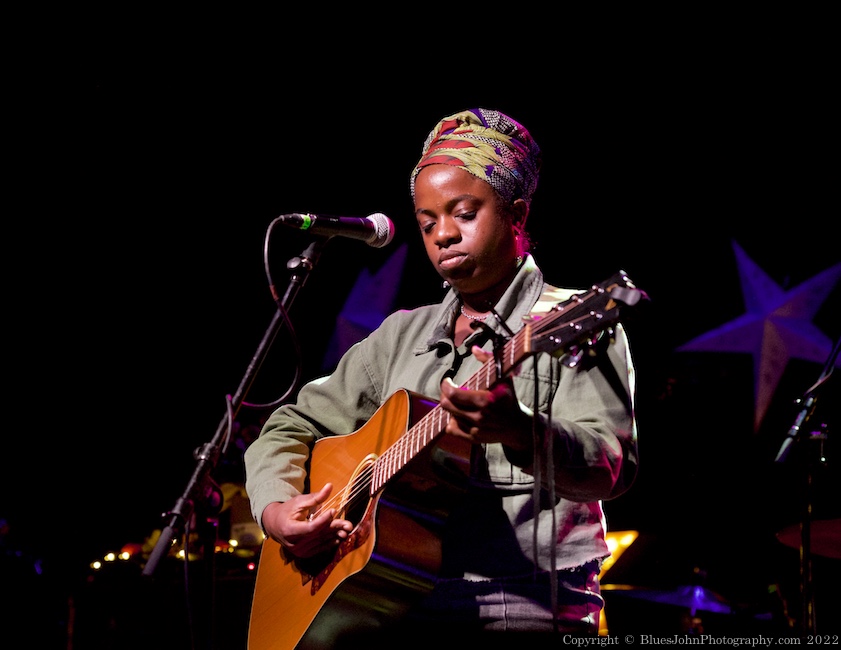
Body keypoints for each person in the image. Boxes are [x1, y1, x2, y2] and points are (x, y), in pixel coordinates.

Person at [243, 108, 639, 647]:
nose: (444, 234)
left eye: (464, 213)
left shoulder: (566, 321)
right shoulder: (399, 337)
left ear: (516, 214)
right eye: (428, 223)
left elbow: (611, 467)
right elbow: (291, 423)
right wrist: (276, 508)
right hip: (390, 607)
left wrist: (518, 429)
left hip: (521, 606)